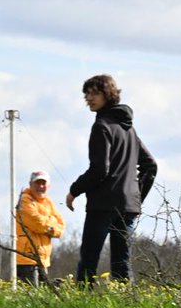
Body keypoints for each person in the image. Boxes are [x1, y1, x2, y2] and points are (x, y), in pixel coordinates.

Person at [66, 73, 157, 285]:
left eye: (95, 93)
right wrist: (136, 197)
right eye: (86, 94)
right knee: (121, 263)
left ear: (108, 95)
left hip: (103, 205)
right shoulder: (129, 129)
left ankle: (80, 305)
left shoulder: (102, 126)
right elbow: (150, 165)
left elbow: (100, 170)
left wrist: (74, 190)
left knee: (89, 259)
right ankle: (126, 303)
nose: (89, 98)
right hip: (127, 207)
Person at [15, 170, 66, 285]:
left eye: (43, 183)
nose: (41, 186)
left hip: (44, 259)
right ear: (30, 184)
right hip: (26, 258)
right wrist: (52, 224)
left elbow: (61, 225)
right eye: (37, 183)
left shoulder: (48, 202)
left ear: (49, 186)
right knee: (31, 295)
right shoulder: (25, 200)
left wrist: (49, 227)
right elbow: (37, 223)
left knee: (43, 295)